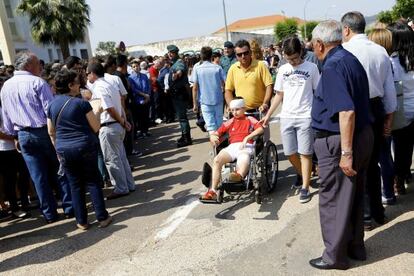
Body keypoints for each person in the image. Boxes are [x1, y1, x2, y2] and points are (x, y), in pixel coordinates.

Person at [309, 20, 373, 270]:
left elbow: (346, 110)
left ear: (320, 44)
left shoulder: (333, 66)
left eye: (314, 45)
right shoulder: (349, 58)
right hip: (360, 136)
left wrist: (345, 153)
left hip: (340, 141)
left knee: (333, 200)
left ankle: (334, 256)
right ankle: (355, 246)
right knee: (353, 196)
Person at [0, 52, 72, 223]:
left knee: (38, 176)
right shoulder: (37, 82)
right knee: (59, 170)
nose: (40, 67)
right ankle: (70, 207)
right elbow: (50, 111)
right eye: (37, 64)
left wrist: (15, 135)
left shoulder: (6, 86)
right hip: (42, 131)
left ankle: (49, 213)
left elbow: (6, 115)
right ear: (29, 65)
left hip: (22, 135)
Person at [342, 11, 397, 230]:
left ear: (346, 29)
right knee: (373, 162)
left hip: (354, 109)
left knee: (358, 165)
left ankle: (365, 217)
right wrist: (389, 119)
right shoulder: (380, 51)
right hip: (377, 107)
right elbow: (389, 89)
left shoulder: (344, 51)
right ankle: (378, 212)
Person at [47, 69, 112, 229]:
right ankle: (102, 218)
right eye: (76, 82)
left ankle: (81, 221)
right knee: (92, 182)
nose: (79, 85)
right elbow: (96, 127)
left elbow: (51, 131)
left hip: (64, 148)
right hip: (84, 145)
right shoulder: (81, 103)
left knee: (74, 185)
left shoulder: (51, 105)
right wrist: (97, 111)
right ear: (70, 85)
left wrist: (58, 150)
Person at [261, 36, 320, 203]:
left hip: (305, 116)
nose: (293, 62)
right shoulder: (283, 70)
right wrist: (268, 115)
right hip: (286, 116)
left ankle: (305, 187)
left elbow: (318, 92)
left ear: (300, 52)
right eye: (289, 59)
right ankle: (305, 173)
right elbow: (279, 94)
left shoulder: (312, 68)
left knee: (305, 153)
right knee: (289, 153)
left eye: (295, 58)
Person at [87, 61, 135, 200]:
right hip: (116, 124)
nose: (86, 77)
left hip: (110, 125)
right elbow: (120, 101)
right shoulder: (109, 84)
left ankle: (121, 188)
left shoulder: (100, 87)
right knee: (121, 157)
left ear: (92, 74)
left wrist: (122, 121)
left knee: (112, 159)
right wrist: (123, 121)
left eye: (87, 73)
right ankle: (129, 185)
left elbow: (109, 107)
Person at [201, 98, 264, 200]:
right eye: (232, 110)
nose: (234, 112)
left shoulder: (250, 119)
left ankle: (238, 175)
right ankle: (212, 191)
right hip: (232, 146)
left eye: (237, 109)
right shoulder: (230, 121)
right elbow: (217, 132)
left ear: (244, 109)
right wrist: (213, 136)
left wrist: (248, 137)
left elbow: (260, 129)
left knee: (243, 157)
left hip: (246, 145)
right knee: (217, 160)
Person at [367, 28, 397, 205]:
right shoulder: (386, 60)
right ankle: (389, 192)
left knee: (372, 157)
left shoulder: (373, 59)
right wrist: (390, 117)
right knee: (385, 155)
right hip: (383, 109)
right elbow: (390, 93)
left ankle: (379, 195)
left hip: (372, 109)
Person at [388, 21, 414, 195]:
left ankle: (400, 178)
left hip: (401, 111)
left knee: (401, 147)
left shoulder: (392, 62)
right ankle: (403, 175)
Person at [225, 39, 273, 113]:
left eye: (245, 53)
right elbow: (228, 90)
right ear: (236, 56)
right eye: (239, 54)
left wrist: (265, 104)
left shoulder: (260, 65)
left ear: (250, 52)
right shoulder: (233, 68)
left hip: (259, 111)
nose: (243, 56)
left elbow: (269, 85)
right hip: (240, 113)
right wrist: (231, 105)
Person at [192, 46, 226, 134]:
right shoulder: (218, 68)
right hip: (218, 99)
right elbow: (225, 83)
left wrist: (195, 104)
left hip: (205, 101)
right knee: (219, 124)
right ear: (211, 56)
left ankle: (215, 144)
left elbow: (195, 87)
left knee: (211, 127)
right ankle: (220, 145)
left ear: (201, 56)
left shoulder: (197, 69)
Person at [167, 45, 192, 147]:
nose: (169, 54)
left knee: (182, 117)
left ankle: (187, 138)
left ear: (176, 53)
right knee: (180, 116)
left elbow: (180, 71)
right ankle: (184, 135)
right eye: (169, 52)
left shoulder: (179, 62)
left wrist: (176, 75)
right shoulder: (174, 63)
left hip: (180, 93)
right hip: (176, 93)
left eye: (171, 53)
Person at [129, 60, 151, 138]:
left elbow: (148, 86)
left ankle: (146, 130)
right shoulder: (130, 78)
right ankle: (142, 132)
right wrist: (144, 95)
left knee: (146, 115)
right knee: (140, 117)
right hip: (138, 99)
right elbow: (134, 89)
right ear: (132, 68)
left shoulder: (144, 75)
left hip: (147, 98)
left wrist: (148, 95)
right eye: (134, 67)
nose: (136, 68)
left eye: (137, 66)